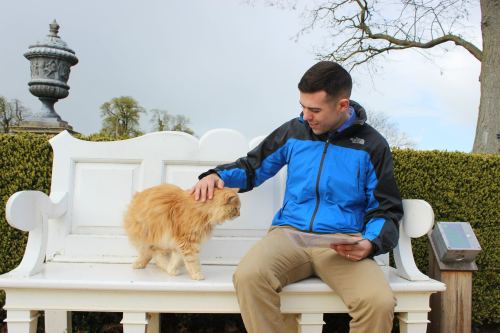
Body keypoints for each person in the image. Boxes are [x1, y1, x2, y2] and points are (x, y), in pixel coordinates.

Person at [191, 61, 403, 333]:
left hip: (341, 244)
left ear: (342, 105)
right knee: (249, 277)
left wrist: (370, 243)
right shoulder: (294, 131)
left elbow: (386, 209)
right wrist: (216, 175)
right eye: (302, 106)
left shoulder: (372, 145)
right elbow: (252, 167)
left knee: (378, 302)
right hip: (288, 235)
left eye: (314, 109)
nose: (306, 116)